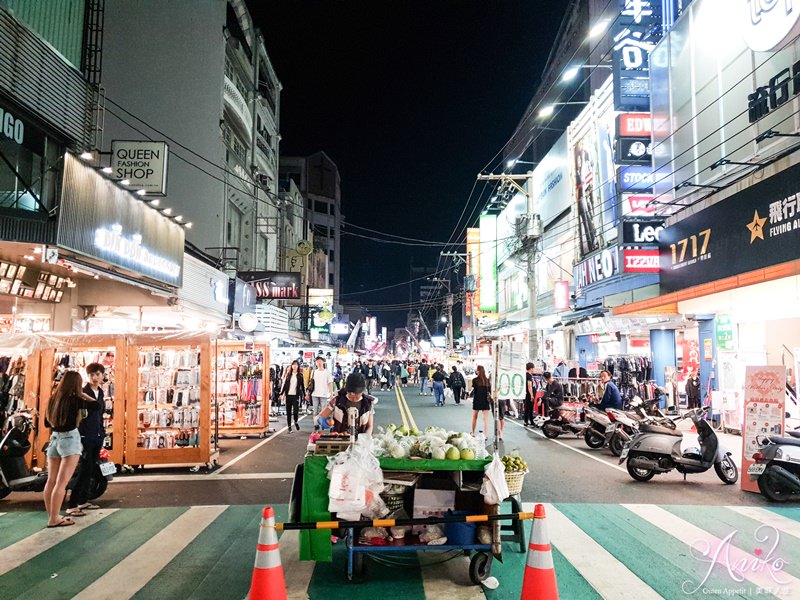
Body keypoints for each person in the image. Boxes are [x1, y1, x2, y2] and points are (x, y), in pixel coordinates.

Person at [42, 371, 98, 528]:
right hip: (69, 439)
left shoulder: (53, 399)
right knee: (62, 483)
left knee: (51, 481)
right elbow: (96, 405)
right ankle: (54, 519)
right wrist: (82, 394)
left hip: (54, 439)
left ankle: (52, 515)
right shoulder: (75, 399)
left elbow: (47, 424)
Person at [65, 363, 106, 517]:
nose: (94, 377)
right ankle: (72, 503)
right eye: (91, 375)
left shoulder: (100, 393)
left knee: (90, 469)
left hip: (97, 435)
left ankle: (83, 501)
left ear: (102, 375)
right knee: (83, 469)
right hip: (84, 436)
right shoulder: (82, 392)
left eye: (97, 374)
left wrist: (102, 432)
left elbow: (99, 414)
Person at [308, 356, 334, 431]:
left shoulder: (327, 372)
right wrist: (308, 392)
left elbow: (330, 383)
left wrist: (331, 393)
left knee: (323, 411)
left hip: (324, 395)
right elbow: (310, 383)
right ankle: (316, 425)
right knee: (315, 411)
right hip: (314, 394)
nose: (319, 363)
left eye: (320, 361)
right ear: (316, 363)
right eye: (317, 362)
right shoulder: (314, 372)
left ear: (323, 362)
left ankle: (322, 425)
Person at [280, 360, 305, 432]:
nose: (294, 366)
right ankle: (289, 427)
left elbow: (302, 386)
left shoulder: (300, 375)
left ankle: (296, 421)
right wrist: (281, 393)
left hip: (295, 396)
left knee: (295, 411)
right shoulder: (288, 374)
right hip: (288, 395)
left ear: (298, 366)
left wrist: (305, 394)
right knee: (288, 412)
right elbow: (285, 385)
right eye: (293, 365)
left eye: (296, 365)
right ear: (291, 366)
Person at [470, 365, 491, 437]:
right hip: (485, 400)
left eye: (476, 370)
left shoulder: (475, 380)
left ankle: (473, 432)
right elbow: (489, 391)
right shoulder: (487, 380)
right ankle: (485, 434)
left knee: (474, 417)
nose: (476, 371)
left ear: (478, 371)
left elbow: (474, 390)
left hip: (477, 400)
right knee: (485, 419)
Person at [523, 362, 536, 426]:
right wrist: (531, 395)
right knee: (529, 407)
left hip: (527, 393)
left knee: (529, 407)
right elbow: (529, 386)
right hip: (529, 394)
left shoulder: (526, 375)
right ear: (531, 368)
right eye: (533, 368)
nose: (533, 369)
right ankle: (527, 421)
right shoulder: (529, 375)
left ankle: (530, 420)